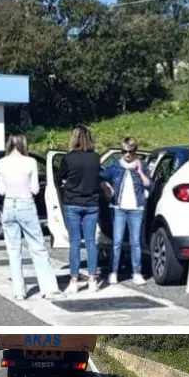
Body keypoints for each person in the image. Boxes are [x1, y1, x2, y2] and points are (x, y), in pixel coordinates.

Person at [0, 133, 60, 300]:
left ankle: (19, 292)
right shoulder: (30, 162)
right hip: (26, 204)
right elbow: (35, 189)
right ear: (23, 144)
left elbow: (1, 191)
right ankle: (49, 289)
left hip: (9, 204)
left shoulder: (0, 164)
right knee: (38, 247)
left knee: (13, 251)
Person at [57, 124, 103, 294]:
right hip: (92, 203)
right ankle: (92, 280)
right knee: (91, 242)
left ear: (74, 138)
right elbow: (99, 177)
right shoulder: (96, 158)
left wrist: (66, 184)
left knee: (75, 243)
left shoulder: (69, 158)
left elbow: (59, 177)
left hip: (73, 202)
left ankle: (74, 280)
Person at [102, 136, 152, 285]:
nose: (127, 154)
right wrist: (107, 188)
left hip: (137, 208)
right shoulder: (115, 166)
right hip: (119, 208)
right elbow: (101, 177)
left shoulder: (142, 165)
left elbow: (149, 184)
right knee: (117, 242)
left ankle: (137, 272)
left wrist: (140, 171)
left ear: (135, 151)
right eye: (124, 151)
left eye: (130, 151)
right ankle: (113, 272)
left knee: (135, 242)